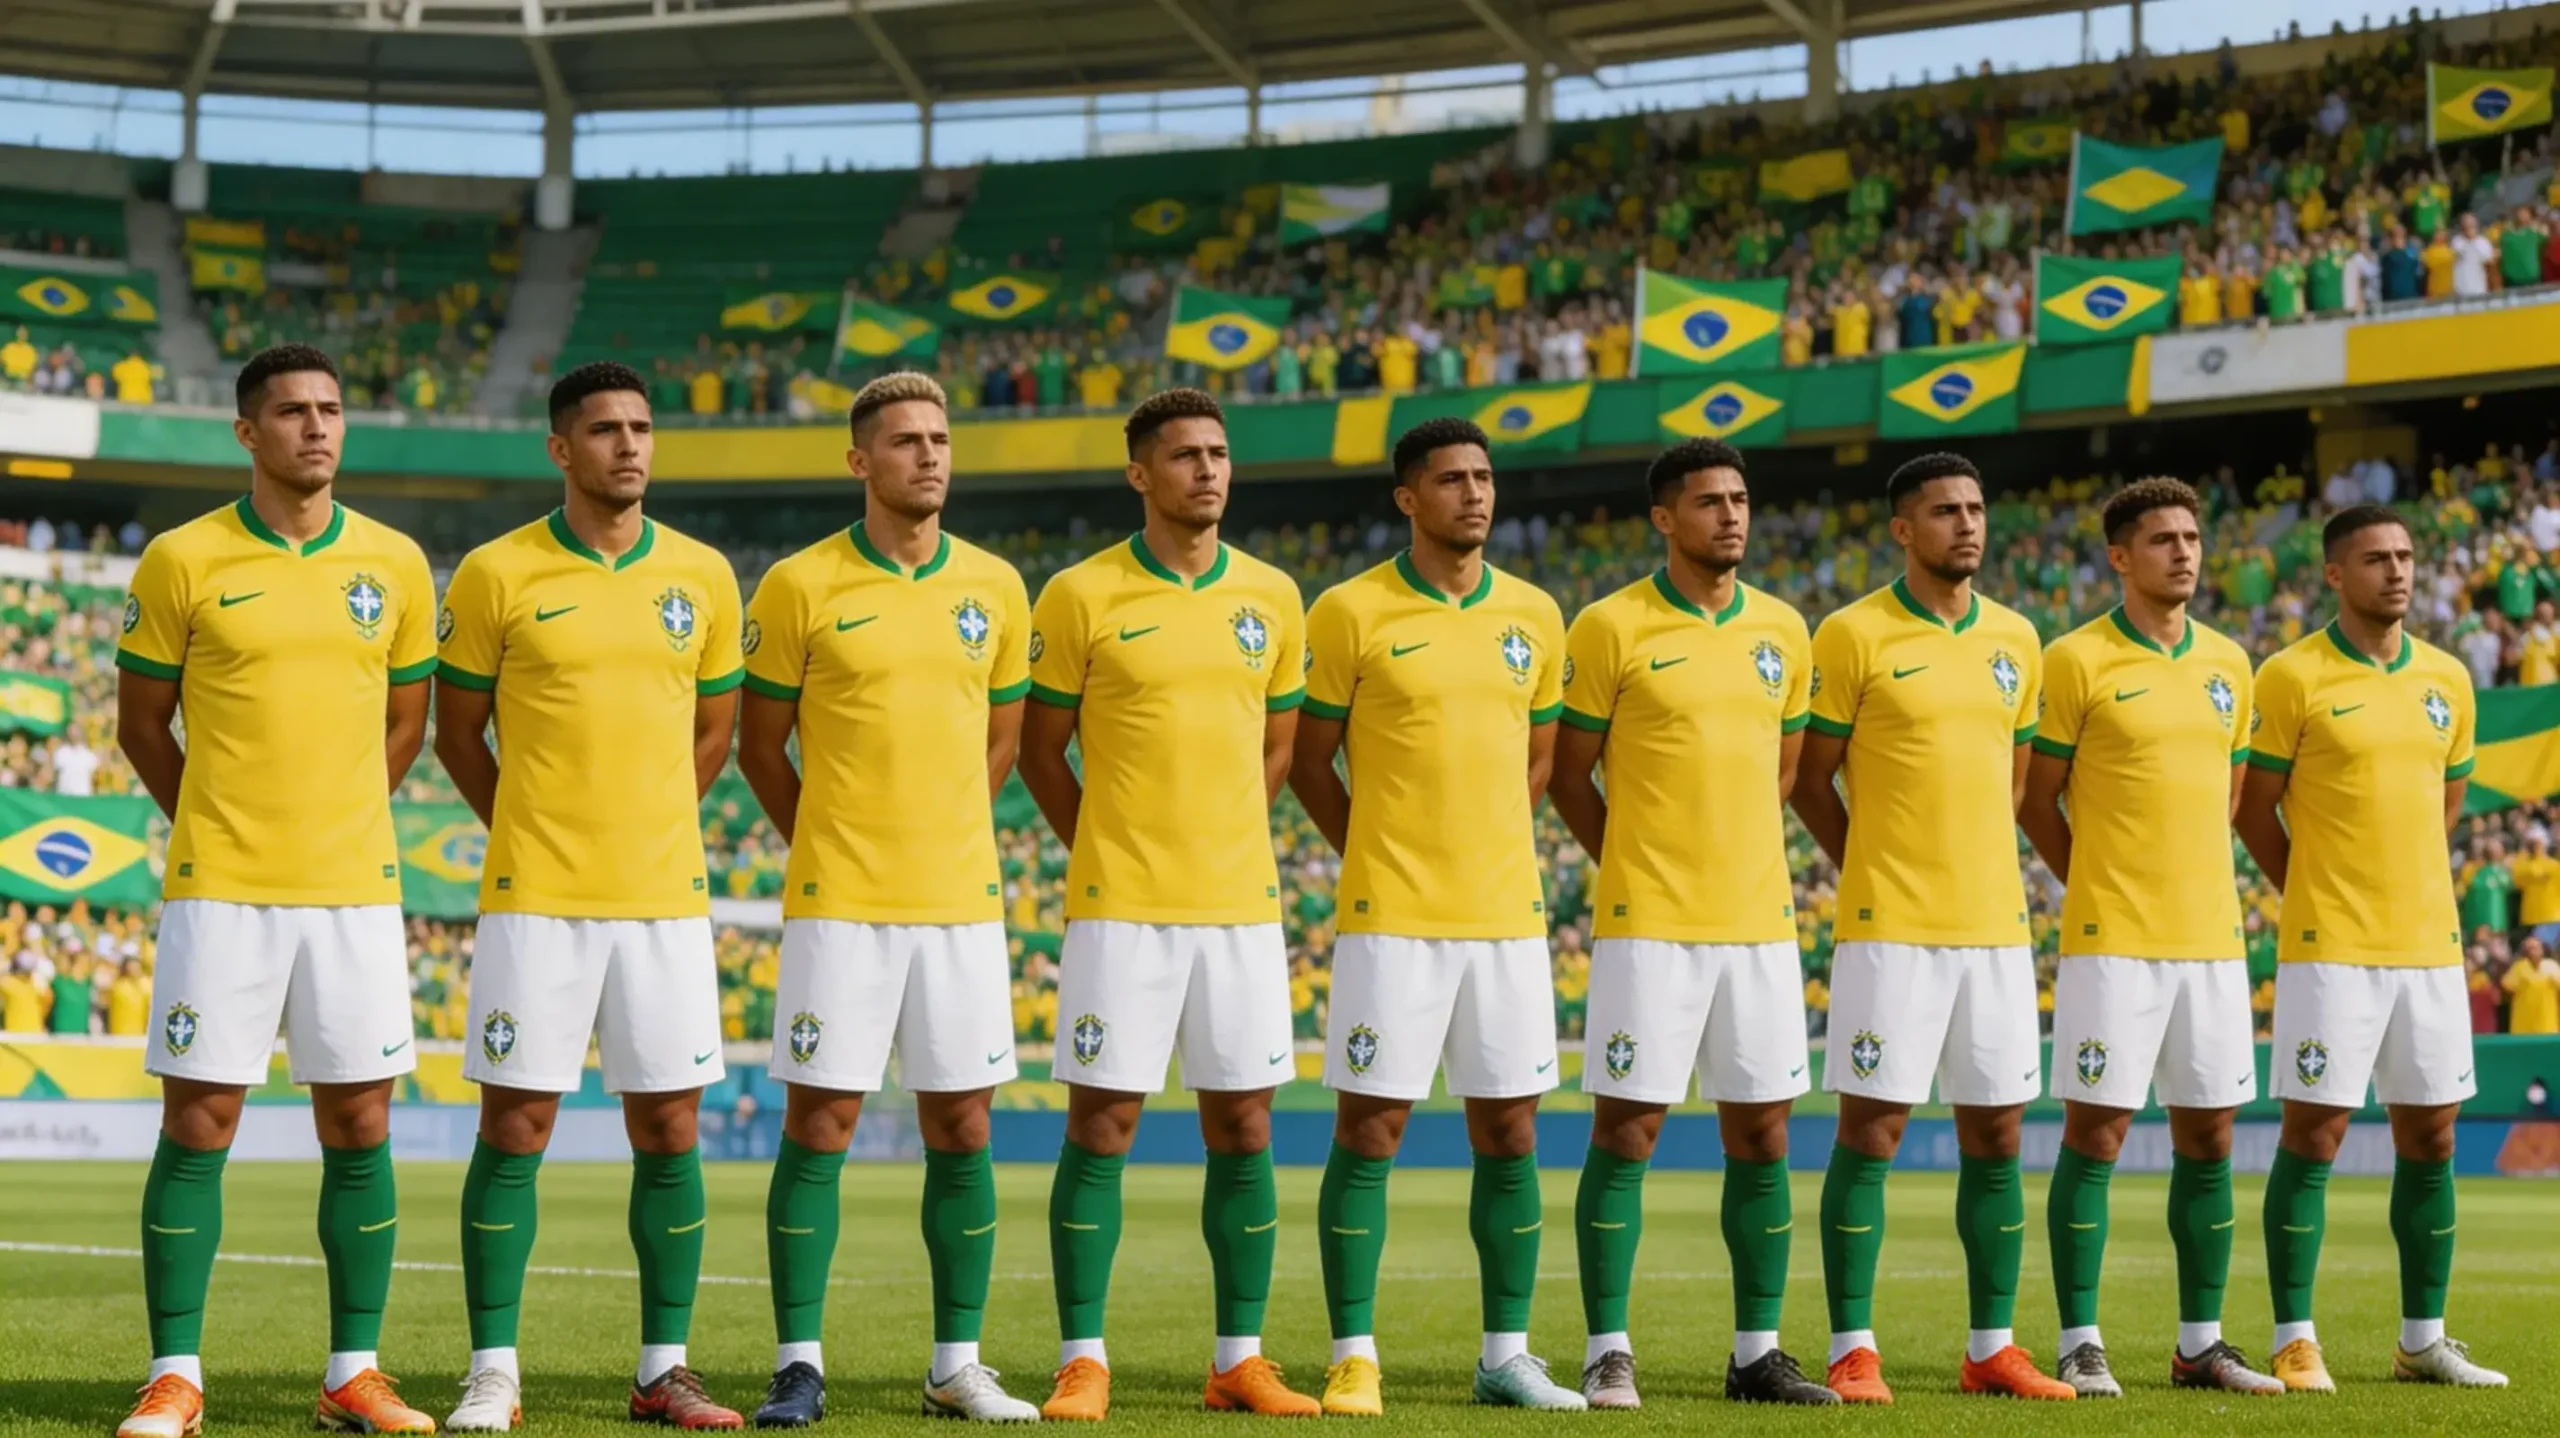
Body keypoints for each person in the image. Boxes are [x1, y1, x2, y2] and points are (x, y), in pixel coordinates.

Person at [112, 344, 441, 1438]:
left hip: (354, 888)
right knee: (199, 1119)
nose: (317, 427)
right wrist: (215, 818)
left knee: (359, 1119)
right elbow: (141, 721)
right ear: (247, 433)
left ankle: (354, 1372)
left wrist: (339, 813)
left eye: (332, 410)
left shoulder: (395, 562)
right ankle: (174, 1376)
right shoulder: (181, 557)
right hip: (224, 887)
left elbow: (406, 722)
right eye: (294, 412)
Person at [435, 360, 748, 1430]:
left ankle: (665, 1369)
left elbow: (715, 732)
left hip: (663, 898)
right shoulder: (494, 572)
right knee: (515, 1123)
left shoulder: (703, 575)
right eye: (606, 429)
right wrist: (530, 824)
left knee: (669, 1126)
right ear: (561, 449)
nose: (630, 445)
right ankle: (492, 1370)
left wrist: (647, 820)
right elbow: (456, 731)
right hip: (537, 901)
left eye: (643, 428)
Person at [733, 373, 1040, 1424]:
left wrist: (939, 829)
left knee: (963, 1122)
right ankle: (798, 1363)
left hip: (961, 901)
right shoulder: (797, 585)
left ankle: (957, 1363)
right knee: (818, 1120)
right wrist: (826, 838)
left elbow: (1000, 742)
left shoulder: (997, 587)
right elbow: (757, 743)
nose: (929, 456)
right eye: (905, 441)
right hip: (839, 903)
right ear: (860, 461)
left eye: (940, 439)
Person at [1015, 388, 1318, 1421]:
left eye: (1219, 454)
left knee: (1244, 1121)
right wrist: (1106, 843)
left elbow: (1278, 745)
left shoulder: (1274, 597)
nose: (1208, 470)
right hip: (1120, 906)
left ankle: (1239, 1359)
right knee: (1102, 1120)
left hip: (1240, 905)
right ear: (1140, 473)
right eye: (1185, 455)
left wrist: (1222, 832)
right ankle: (1082, 1358)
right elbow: (1039, 749)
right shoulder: (1079, 593)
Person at [1291, 417, 1583, 1415]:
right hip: (1391, 919)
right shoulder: (1347, 611)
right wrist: (1376, 847)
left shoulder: (1537, 616)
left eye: (1485, 477)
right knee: (1369, 1127)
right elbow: (1306, 759)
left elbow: (1538, 762)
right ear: (1408, 498)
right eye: (1452, 479)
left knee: (1511, 1130)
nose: (1475, 494)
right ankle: (1353, 1353)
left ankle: (1506, 1354)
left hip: (1507, 917)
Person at [1547, 439, 1836, 1409]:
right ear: (1665, 518)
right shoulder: (1607, 626)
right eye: (1709, 500)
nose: (1731, 515)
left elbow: (1786, 772)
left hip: (1758, 922)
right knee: (1627, 1129)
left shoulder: (1785, 630)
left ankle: (1756, 1353)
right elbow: (1568, 773)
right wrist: (1633, 860)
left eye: (1741, 498)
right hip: (1649, 922)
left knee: (1762, 1133)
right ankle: (1605, 1349)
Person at [1789, 451, 2071, 1403]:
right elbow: (1808, 777)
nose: (1968, 524)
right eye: (1946, 510)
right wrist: (1869, 862)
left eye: (1977, 508)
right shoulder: (1851, 633)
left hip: (1996, 926)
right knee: (1873, 1126)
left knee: (1997, 1131)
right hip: (1889, 925)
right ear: (1903, 529)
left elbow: (2021, 778)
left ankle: (1992, 1346)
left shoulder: (2019, 640)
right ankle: (1850, 1348)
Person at [2018, 478, 2283, 1397]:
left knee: (2210, 1135)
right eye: (2163, 539)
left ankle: (2201, 1344)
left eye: (2192, 537)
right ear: (2120, 557)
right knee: (2097, 1131)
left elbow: (2236, 793)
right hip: (2112, 939)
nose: (2184, 552)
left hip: (2213, 938)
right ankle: (2079, 1340)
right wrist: (2093, 879)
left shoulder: (2231, 664)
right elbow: (2034, 795)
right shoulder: (2073, 659)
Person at [2234, 503, 2508, 1391]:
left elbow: (2447, 804)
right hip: (2330, 946)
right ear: (2334, 575)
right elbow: (2253, 808)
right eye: (2376, 559)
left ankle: (2422, 1340)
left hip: (2429, 946)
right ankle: (2293, 1336)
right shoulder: (2289, 675)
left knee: (2431, 1134)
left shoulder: (2448, 680)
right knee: (2315, 1132)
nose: (2397, 571)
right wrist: (2317, 887)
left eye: (2406, 556)